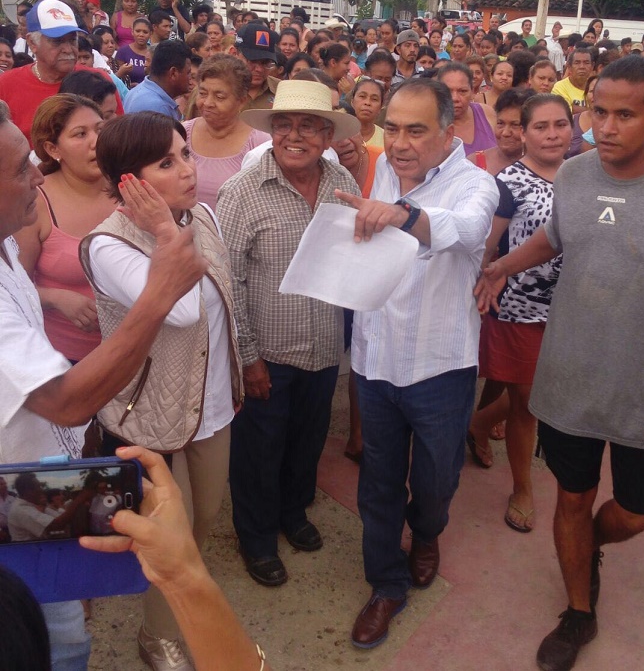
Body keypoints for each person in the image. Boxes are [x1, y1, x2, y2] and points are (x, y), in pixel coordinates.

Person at [475, 55, 644, 671]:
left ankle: (590, 545)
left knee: (634, 516)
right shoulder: (571, 176)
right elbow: (560, 237)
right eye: (599, 111)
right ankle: (577, 610)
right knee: (571, 497)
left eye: (626, 115)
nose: (608, 126)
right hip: (569, 379)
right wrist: (502, 266)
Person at [0, 97, 206, 669]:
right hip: (13, 501)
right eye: (21, 169)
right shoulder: (105, 240)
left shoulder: (5, 252)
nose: (34, 181)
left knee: (67, 635)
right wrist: (162, 287)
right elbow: (67, 402)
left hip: (36, 487)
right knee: (45, 646)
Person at [335, 77, 498, 649]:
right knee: (378, 481)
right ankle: (386, 584)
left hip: (440, 363)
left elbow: (466, 230)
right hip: (377, 357)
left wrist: (401, 216)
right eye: (393, 128)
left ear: (450, 129)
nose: (400, 142)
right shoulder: (382, 170)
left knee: (436, 477)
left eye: (416, 130)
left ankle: (427, 532)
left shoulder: (476, 183)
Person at [81, 112, 243, 671]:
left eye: (186, 154)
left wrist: (238, 372)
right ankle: (159, 635)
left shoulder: (202, 215)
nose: (187, 171)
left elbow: (223, 304)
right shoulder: (107, 246)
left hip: (213, 405)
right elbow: (183, 309)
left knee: (204, 522)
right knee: (169, 535)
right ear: (131, 181)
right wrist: (166, 231)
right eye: (166, 162)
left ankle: (181, 610)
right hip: (150, 415)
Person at [217, 80, 361, 589]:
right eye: (283, 124)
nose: (293, 135)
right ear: (272, 130)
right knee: (257, 452)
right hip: (268, 355)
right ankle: (256, 538)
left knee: (307, 442)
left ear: (326, 134)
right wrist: (249, 359)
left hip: (323, 346)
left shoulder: (340, 179)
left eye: (307, 125)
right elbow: (227, 282)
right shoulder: (242, 192)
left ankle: (293, 514)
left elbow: (353, 254)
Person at [467, 95, 570, 532]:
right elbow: (486, 248)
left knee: (545, 393)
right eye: (541, 126)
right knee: (529, 403)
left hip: (571, 309)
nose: (551, 134)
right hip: (519, 308)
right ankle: (523, 488)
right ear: (523, 133)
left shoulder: (584, 177)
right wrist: (480, 288)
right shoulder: (506, 183)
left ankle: (478, 423)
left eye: (560, 125)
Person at [79, 445, 271, 670]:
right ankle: (159, 634)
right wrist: (181, 578)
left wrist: (182, 576)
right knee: (171, 518)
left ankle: (177, 614)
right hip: (151, 427)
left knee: (203, 512)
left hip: (207, 420)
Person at [14, 95, 114, 368]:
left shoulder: (128, 186)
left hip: (135, 353)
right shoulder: (35, 202)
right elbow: (14, 288)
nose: (95, 141)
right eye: (80, 134)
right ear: (53, 148)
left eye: (99, 129)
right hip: (65, 360)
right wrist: (55, 298)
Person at [182, 55, 269, 209]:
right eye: (202, 94)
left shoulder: (260, 144)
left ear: (241, 101)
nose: (208, 103)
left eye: (219, 97)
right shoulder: (181, 134)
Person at [0, 0, 86, 145]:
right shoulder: (5, 85)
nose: (68, 49)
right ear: (32, 43)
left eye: (72, 40)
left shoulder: (98, 81)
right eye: (57, 41)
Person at [436, 62, 496, 157]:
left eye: (462, 91)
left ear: (472, 91)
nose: (455, 98)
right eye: (448, 91)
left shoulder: (486, 112)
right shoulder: (431, 123)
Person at [124, 39, 192, 118]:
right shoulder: (158, 108)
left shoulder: (138, 91)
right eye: (188, 73)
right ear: (173, 73)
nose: (190, 78)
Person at [235, 22, 279, 109]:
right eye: (252, 61)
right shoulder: (217, 87)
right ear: (235, 54)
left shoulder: (282, 91)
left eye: (265, 63)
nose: (259, 69)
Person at [551, 48, 594, 113]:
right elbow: (565, 111)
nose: (582, 66)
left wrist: (575, 107)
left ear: (592, 66)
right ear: (569, 67)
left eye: (586, 63)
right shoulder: (559, 87)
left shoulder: (597, 86)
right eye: (577, 63)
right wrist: (594, 111)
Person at [114, 17, 151, 87]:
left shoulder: (153, 53)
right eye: (138, 31)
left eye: (145, 32)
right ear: (132, 32)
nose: (141, 35)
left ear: (150, 33)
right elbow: (117, 78)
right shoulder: (122, 52)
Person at [350, 76, 384, 152]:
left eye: (374, 99)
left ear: (381, 107)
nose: (367, 103)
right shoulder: (341, 136)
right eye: (362, 96)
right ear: (352, 102)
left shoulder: (386, 138)